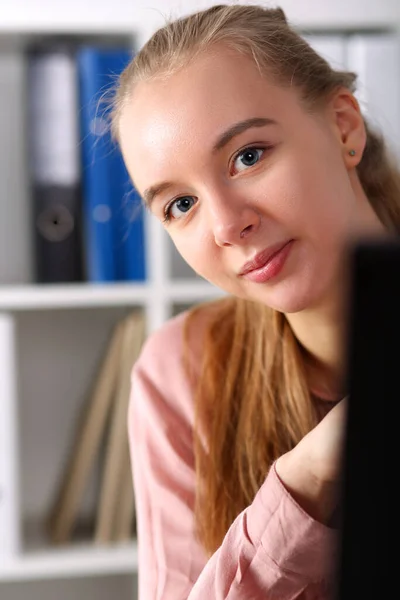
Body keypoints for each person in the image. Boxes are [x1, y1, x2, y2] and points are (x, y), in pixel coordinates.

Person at [110, 4, 399, 599]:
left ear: (343, 128)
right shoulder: (180, 373)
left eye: (248, 156)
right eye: (179, 205)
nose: (225, 225)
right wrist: (305, 479)